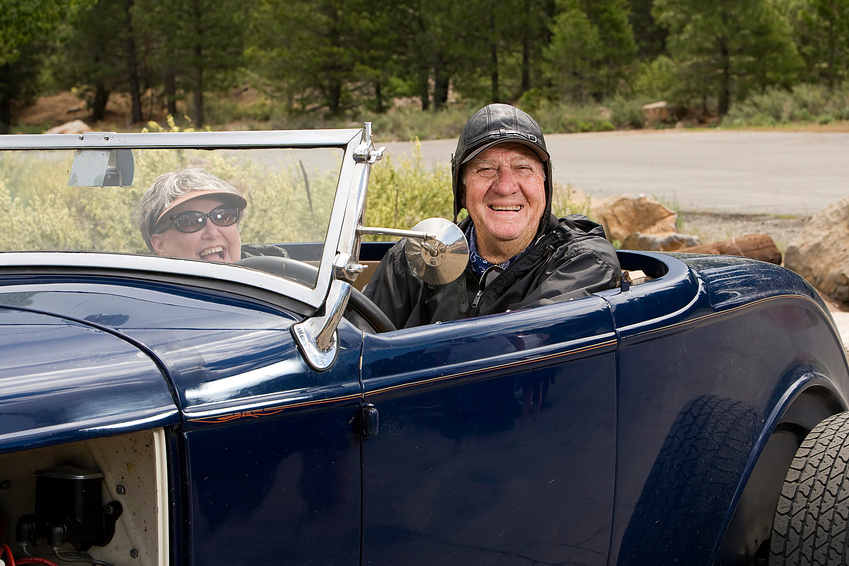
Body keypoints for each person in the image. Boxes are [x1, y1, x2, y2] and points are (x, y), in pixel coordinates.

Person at [364, 103, 621, 329]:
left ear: (544, 185)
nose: (506, 186)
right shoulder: (414, 258)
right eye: (485, 169)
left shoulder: (584, 262)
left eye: (523, 168)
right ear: (462, 192)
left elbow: (521, 346)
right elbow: (352, 347)